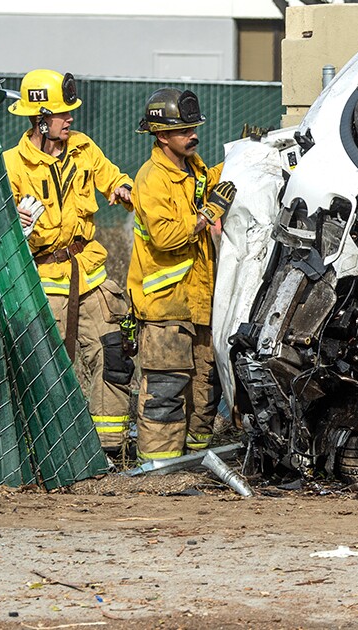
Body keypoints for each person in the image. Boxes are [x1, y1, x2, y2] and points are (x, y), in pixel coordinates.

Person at [2, 68, 135, 455]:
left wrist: (121, 187)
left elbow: (111, 176)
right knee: (41, 370)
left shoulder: (82, 148)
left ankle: (107, 450)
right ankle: (42, 450)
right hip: (43, 282)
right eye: (62, 113)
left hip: (90, 276)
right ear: (40, 119)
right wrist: (15, 217)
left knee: (114, 354)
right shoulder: (13, 164)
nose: (70, 118)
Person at [128, 88, 236, 462]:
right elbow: (166, 235)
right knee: (166, 392)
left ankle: (195, 466)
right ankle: (159, 471)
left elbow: (210, 184)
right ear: (161, 136)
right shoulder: (151, 179)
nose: (193, 134)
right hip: (165, 309)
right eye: (184, 130)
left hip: (199, 303)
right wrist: (207, 214)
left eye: (194, 127)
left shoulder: (192, 167)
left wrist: (246, 154)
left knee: (205, 391)